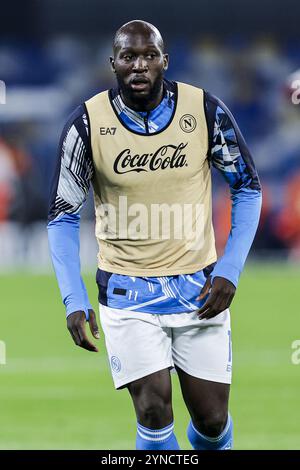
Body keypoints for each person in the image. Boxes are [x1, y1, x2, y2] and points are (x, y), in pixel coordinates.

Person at [47, 20, 262, 450]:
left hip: (199, 289)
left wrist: (231, 269)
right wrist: (73, 298)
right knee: (152, 409)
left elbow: (247, 186)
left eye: (149, 56)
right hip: (128, 292)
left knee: (213, 420)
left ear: (165, 60)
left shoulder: (204, 111)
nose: (139, 65)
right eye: (129, 56)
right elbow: (63, 216)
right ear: (113, 64)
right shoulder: (87, 124)